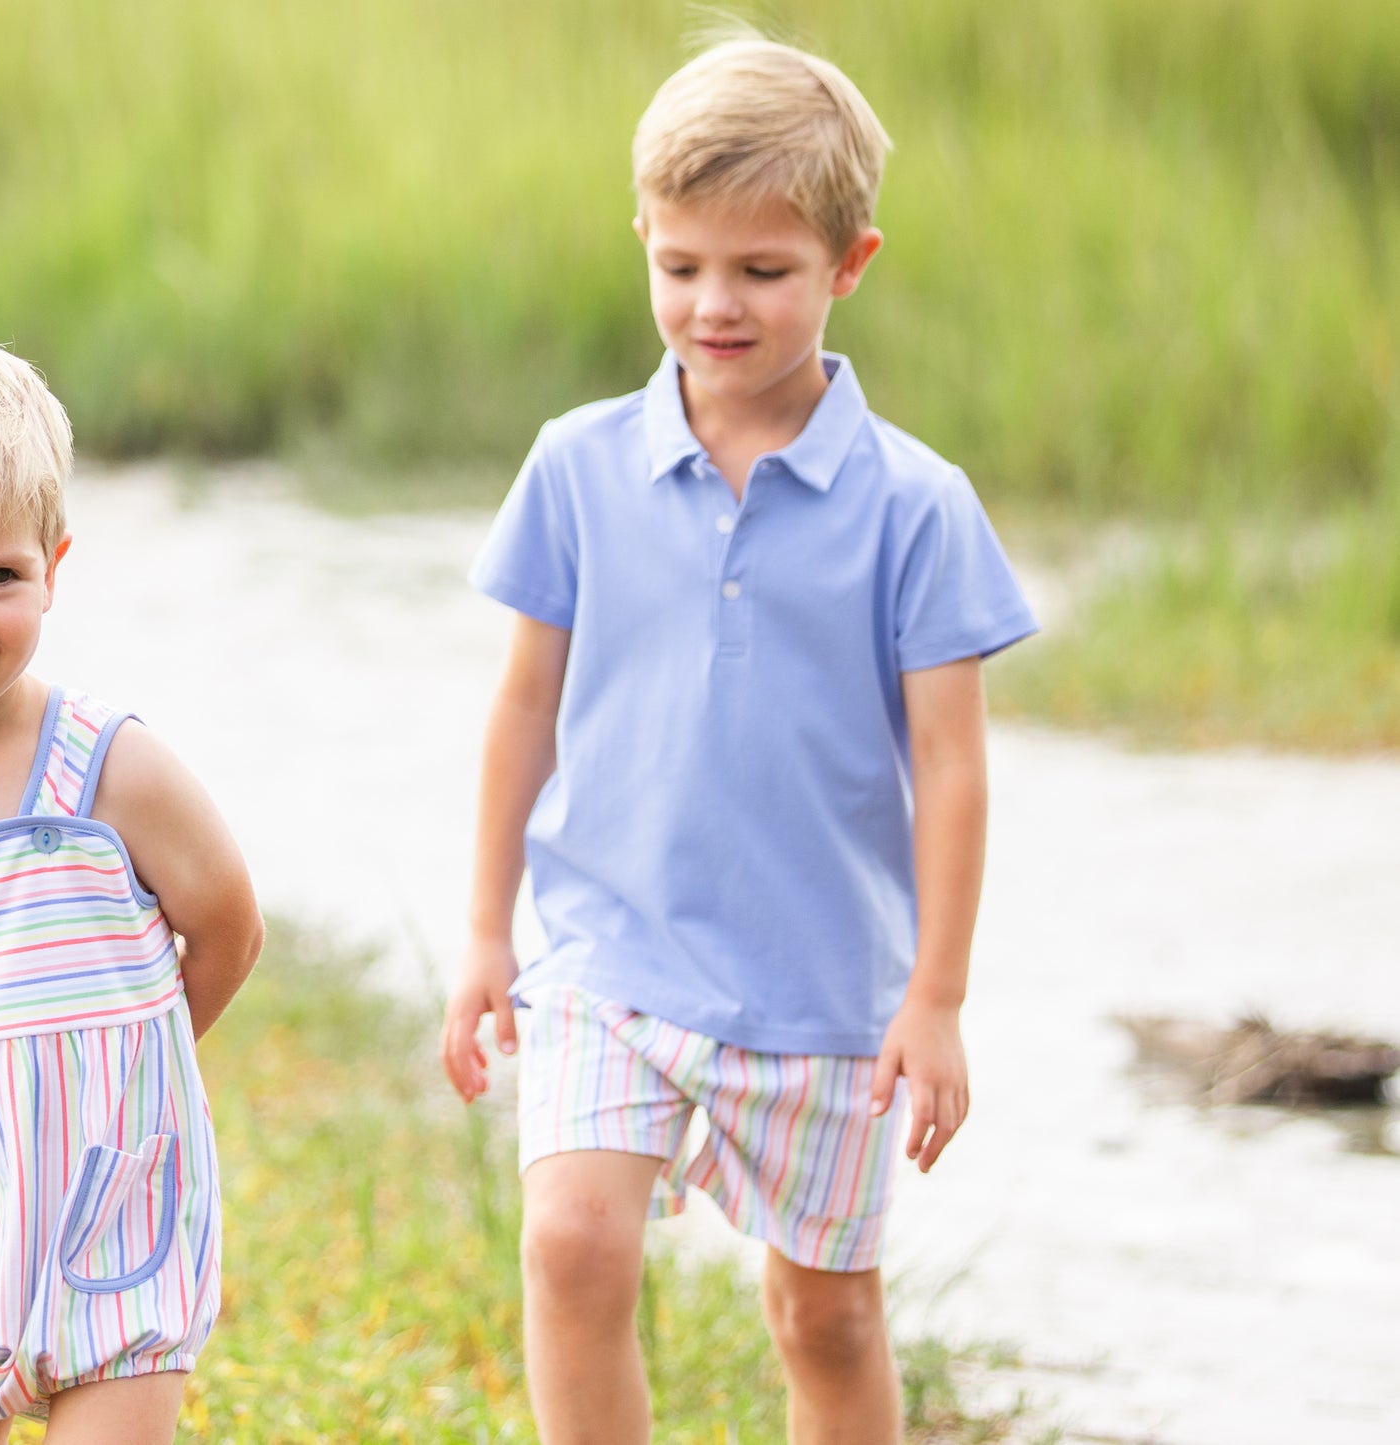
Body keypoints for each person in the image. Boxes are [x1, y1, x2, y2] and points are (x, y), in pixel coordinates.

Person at [439, 35, 1037, 1445]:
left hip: (823, 988)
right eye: (682, 265)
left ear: (849, 265)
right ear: (643, 240)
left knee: (820, 1314)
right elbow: (523, 707)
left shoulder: (915, 505)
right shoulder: (576, 467)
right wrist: (482, 929)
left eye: (761, 272)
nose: (714, 304)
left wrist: (936, 997)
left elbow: (951, 764)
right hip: (607, 956)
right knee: (571, 1243)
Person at [0, 333, 264, 1444]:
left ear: (55, 564)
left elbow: (226, 922)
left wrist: (141, 1064)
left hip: (108, 1204)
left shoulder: (105, 764)